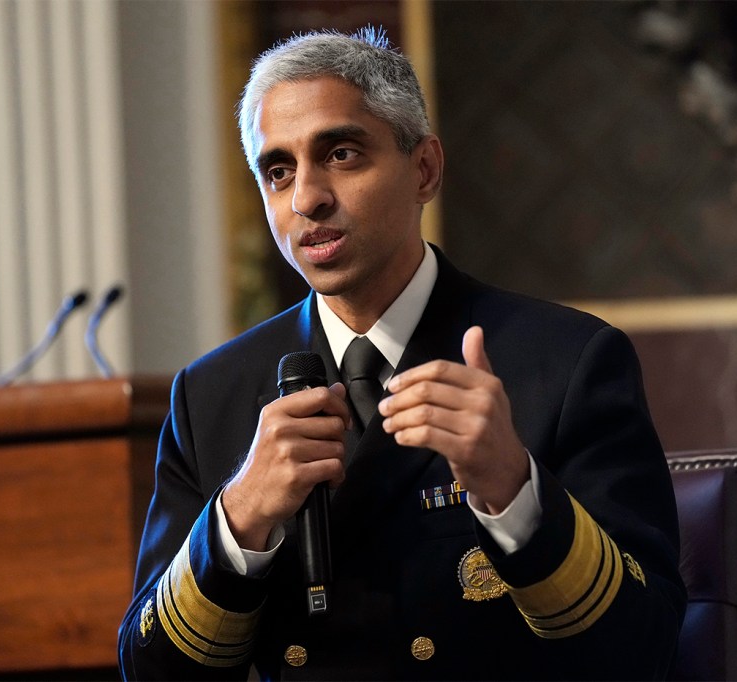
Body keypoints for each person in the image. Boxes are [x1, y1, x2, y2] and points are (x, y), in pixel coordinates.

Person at [118, 27, 685, 681]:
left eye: (342, 154)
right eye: (279, 171)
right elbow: (151, 672)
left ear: (424, 169)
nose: (307, 198)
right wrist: (239, 518)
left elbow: (646, 650)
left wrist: (513, 489)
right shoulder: (212, 393)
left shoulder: (568, 361)